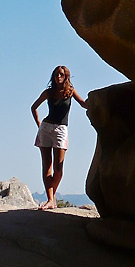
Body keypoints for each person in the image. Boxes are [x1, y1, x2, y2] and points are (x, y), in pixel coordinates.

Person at [31, 65, 87, 210]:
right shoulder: (49, 92)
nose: (58, 77)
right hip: (46, 128)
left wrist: (96, 103)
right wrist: (39, 124)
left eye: (61, 75)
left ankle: (52, 196)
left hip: (61, 130)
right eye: (56, 75)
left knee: (59, 168)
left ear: (66, 77)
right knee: (47, 165)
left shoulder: (70, 91)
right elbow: (34, 107)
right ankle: (50, 200)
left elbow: (82, 103)